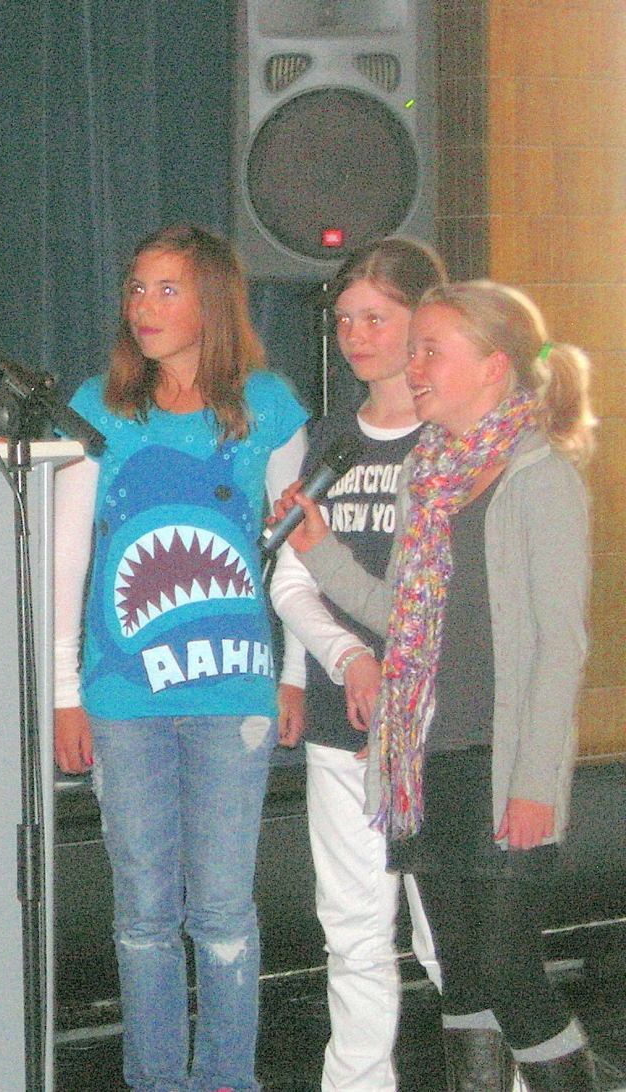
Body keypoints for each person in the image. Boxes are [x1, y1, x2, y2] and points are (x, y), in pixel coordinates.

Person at [272, 281, 598, 1091]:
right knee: (465, 976)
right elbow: (406, 616)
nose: (413, 367)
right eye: (412, 349)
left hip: (502, 763)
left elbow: (559, 648)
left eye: (431, 351)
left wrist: (534, 784)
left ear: (493, 366)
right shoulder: (430, 472)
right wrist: (321, 551)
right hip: (428, 760)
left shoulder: (541, 478)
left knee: (511, 972)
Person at [53, 223, 308, 1092]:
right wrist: (63, 690)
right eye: (136, 287)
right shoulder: (99, 407)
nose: (145, 305)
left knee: (225, 909)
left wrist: (294, 673)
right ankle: (156, 1079)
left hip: (234, 693)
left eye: (168, 288)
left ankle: (228, 1079)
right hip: (123, 696)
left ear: (214, 300)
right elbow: (68, 559)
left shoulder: (266, 405)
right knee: (143, 913)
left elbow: (296, 554)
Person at [269, 237, 446, 1090]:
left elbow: (458, 601)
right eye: (345, 320)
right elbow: (291, 578)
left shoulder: (450, 439)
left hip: (437, 733)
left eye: (376, 317)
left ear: (424, 320)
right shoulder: (332, 439)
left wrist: (395, 674)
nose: (356, 336)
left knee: (451, 935)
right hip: (342, 729)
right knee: (352, 933)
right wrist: (345, 660)